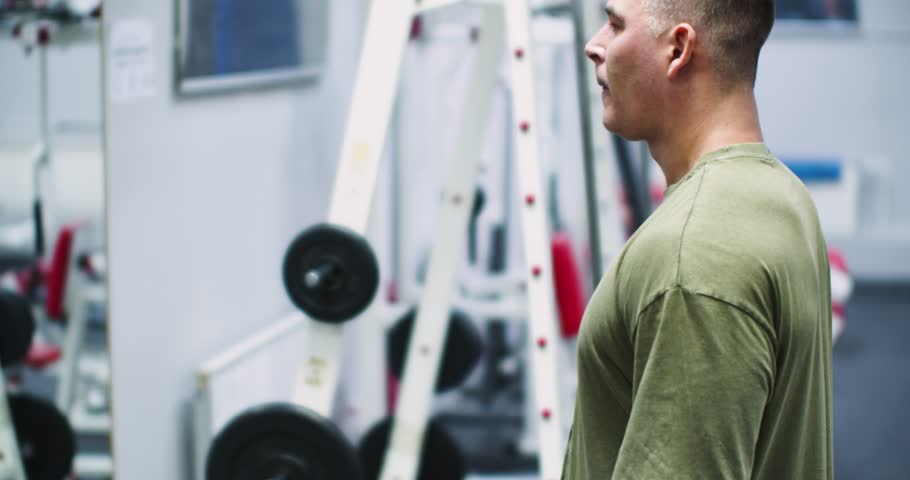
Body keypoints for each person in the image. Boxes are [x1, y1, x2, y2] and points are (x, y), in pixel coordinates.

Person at [561, 0, 833, 478]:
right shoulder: (785, 197)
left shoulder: (694, 254)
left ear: (679, 48)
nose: (594, 45)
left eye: (615, 24)